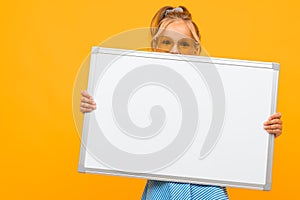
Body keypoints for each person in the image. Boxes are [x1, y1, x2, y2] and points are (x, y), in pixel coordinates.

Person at [80, 6, 283, 200]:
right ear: (155, 47)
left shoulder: (223, 88)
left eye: (184, 44)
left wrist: (265, 130)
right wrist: (95, 110)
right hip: (161, 190)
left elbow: (240, 128)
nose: (175, 51)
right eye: (167, 42)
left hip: (209, 191)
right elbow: (119, 130)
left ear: (196, 50)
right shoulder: (139, 90)